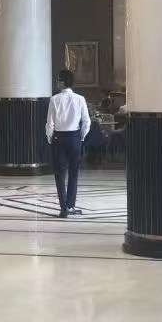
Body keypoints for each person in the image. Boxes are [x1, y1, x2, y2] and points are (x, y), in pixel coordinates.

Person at [46, 68, 91, 218]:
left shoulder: (54, 99)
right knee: (74, 173)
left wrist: (50, 138)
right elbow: (87, 122)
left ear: (62, 82)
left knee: (59, 174)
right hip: (75, 138)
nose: (56, 82)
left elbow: (50, 124)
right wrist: (81, 137)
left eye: (58, 80)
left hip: (59, 138)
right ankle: (70, 205)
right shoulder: (80, 99)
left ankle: (63, 208)